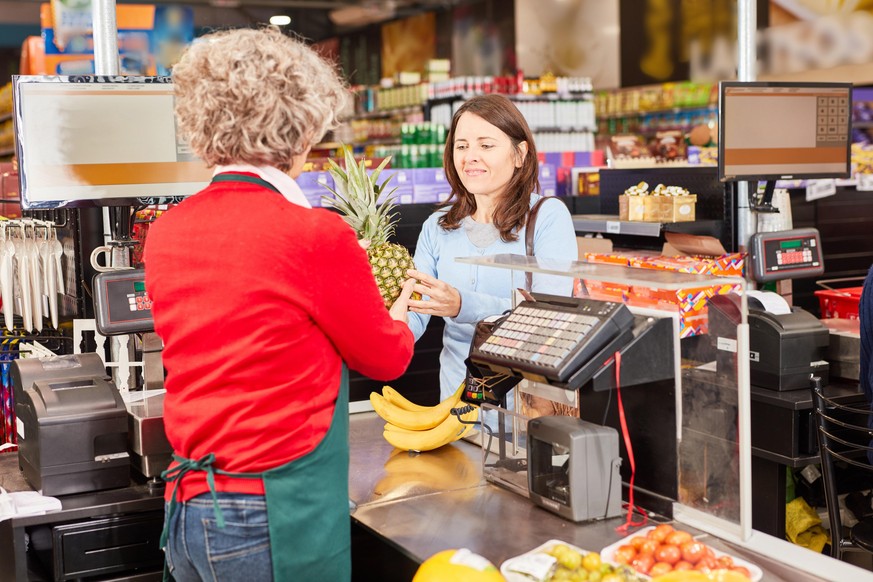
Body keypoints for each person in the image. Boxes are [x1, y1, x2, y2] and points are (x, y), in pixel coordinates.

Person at [143, 28, 415, 582]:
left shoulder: (167, 230)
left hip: (189, 506)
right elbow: (385, 360)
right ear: (305, 124)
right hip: (273, 515)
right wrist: (402, 311)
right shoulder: (314, 234)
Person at [405, 94, 579, 407]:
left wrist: (462, 304)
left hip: (522, 409)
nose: (470, 157)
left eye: (486, 145)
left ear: (519, 154)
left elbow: (549, 317)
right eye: (462, 146)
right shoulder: (437, 227)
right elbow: (415, 312)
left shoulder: (547, 217)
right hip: (455, 408)